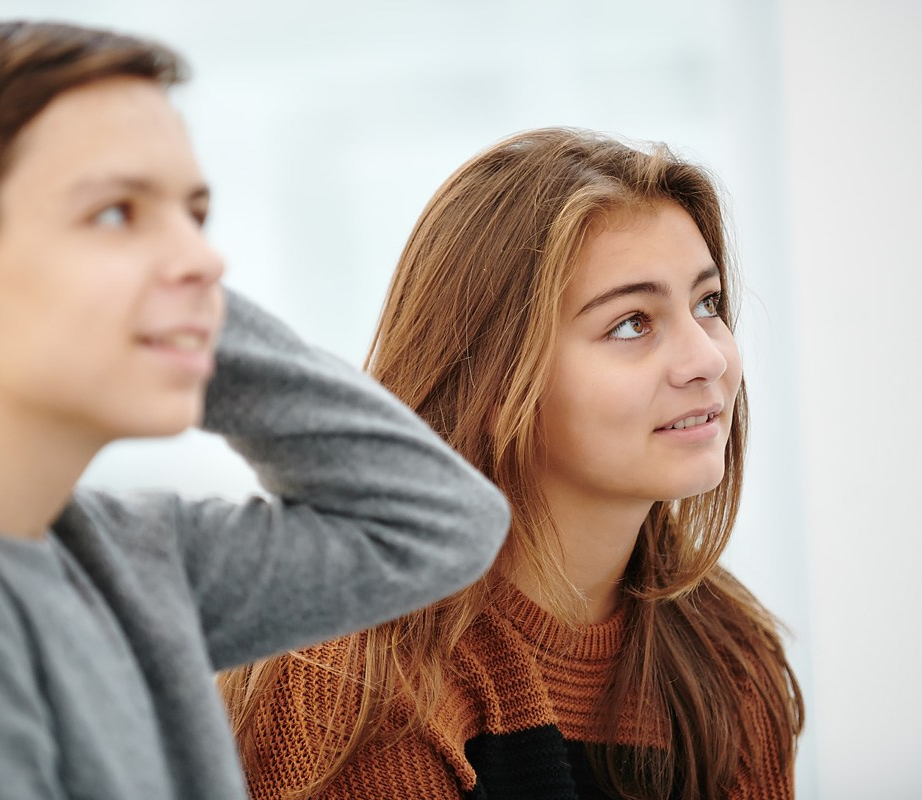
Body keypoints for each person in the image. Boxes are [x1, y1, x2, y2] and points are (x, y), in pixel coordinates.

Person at [0, 20, 511, 800]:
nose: (207, 260)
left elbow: (438, 523)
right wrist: (162, 304)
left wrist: (173, 306)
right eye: (115, 213)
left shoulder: (124, 555)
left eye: (192, 214)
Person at [220, 127, 805, 800]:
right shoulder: (353, 673)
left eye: (707, 304)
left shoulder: (728, 656)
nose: (708, 359)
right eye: (631, 324)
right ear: (495, 383)